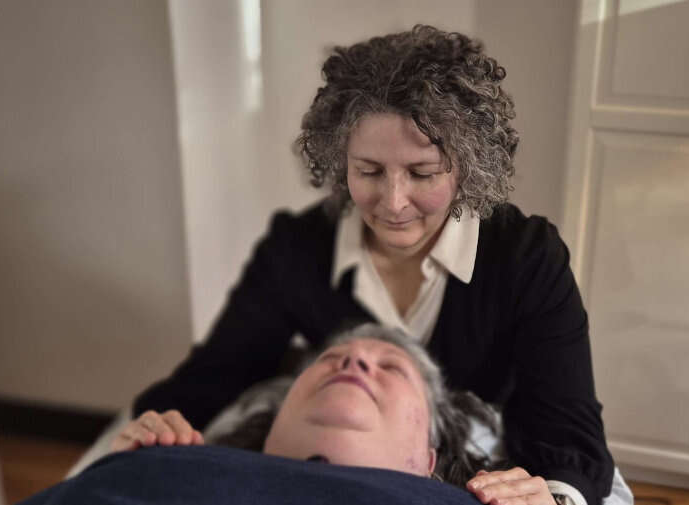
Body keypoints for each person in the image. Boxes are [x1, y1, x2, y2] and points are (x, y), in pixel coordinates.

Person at [133, 25, 614, 505]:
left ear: (468, 168)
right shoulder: (297, 248)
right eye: (368, 171)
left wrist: (555, 498)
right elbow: (216, 374)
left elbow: (567, 422)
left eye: (422, 173)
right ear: (339, 160)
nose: (393, 202)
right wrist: (159, 425)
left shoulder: (525, 257)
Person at [93, 324, 540, 505]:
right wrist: (127, 467)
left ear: (429, 458)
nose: (353, 362)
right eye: (331, 360)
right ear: (270, 424)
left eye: (391, 368)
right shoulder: (174, 471)